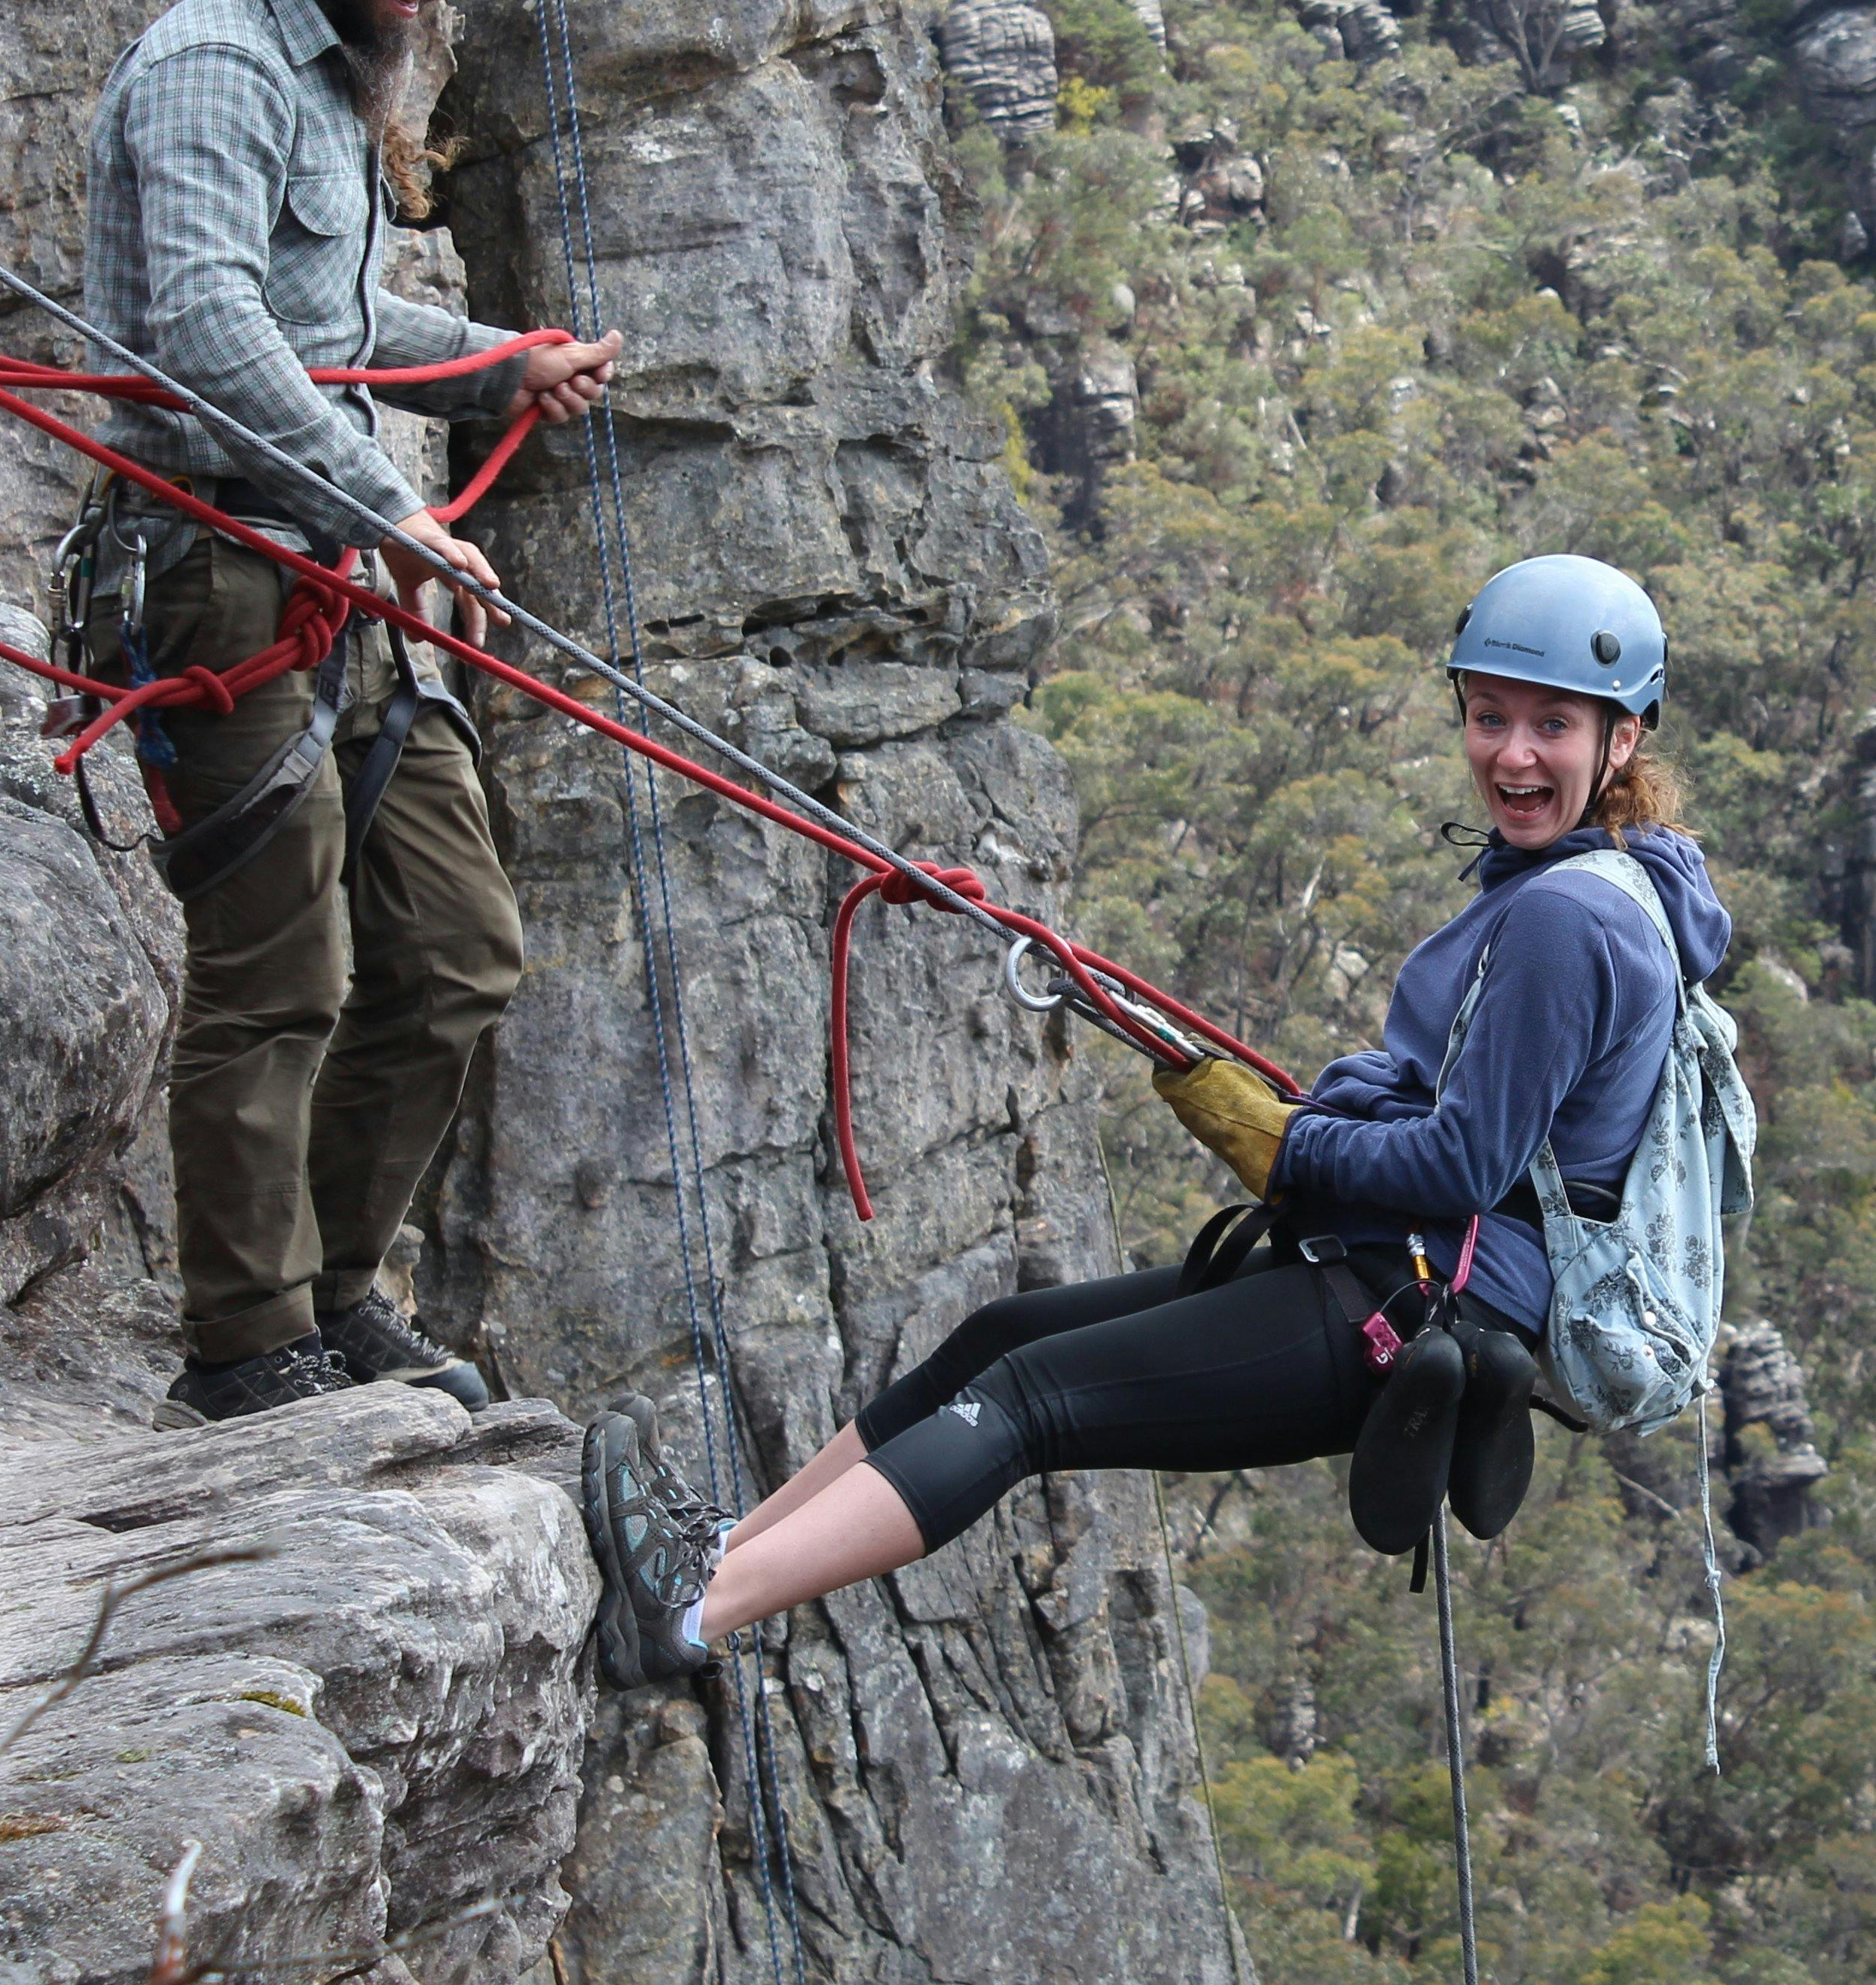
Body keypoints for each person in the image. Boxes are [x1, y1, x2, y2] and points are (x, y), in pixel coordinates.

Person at [579, 555, 1731, 1684]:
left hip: (1420, 1295)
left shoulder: (1566, 920)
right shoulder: (1620, 880)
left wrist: (1289, 1143)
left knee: (1028, 1405)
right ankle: (723, 1551)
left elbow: (1463, 1162)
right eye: (1489, 717)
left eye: (1553, 727)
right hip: (1403, 1267)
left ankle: (693, 1607)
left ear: (1621, 739)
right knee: (1001, 1337)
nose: (1513, 754)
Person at [78, 0, 625, 1429]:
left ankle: (330, 1289)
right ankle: (250, 1354)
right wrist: (390, 507)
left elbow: (338, 324)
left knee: (458, 947)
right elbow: (208, 330)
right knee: (279, 973)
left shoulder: (326, 80)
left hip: (330, 563)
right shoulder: (209, 74)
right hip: (228, 566)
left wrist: (496, 364)